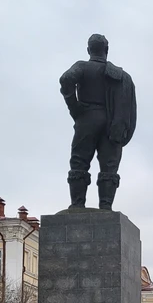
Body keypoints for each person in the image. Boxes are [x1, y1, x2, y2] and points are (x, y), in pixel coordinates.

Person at [59, 34, 137, 211]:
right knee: (109, 166)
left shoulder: (82, 66)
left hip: (87, 118)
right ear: (106, 50)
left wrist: (74, 107)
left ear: (89, 50)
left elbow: (66, 79)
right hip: (113, 123)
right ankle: (106, 206)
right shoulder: (122, 76)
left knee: (79, 161)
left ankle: (77, 204)